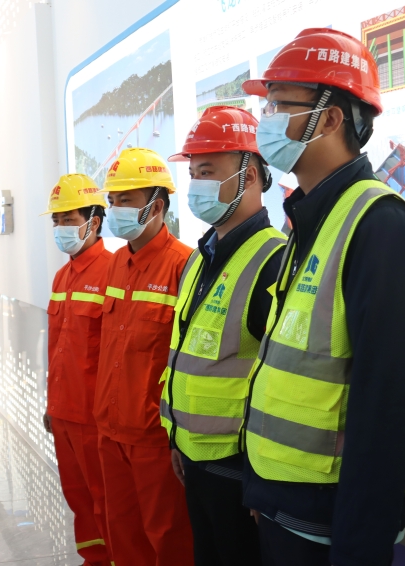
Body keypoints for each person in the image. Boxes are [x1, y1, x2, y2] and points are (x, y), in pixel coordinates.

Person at [240, 28, 405, 566]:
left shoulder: (382, 226)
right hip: (288, 506)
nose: (265, 120)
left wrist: (359, 548)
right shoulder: (309, 219)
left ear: (328, 119)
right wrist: (261, 487)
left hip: (333, 527)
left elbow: (390, 406)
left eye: (280, 105)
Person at [159, 106, 286, 566]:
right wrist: (177, 437)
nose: (196, 185)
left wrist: (263, 478)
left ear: (249, 175)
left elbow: (279, 382)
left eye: (208, 172)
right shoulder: (199, 258)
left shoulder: (274, 259)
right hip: (195, 456)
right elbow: (186, 356)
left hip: (239, 468)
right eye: (193, 173)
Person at [96, 148, 194, 565]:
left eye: (126, 200)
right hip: (110, 429)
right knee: (122, 531)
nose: (115, 209)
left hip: (154, 436)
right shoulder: (116, 263)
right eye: (112, 200)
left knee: (167, 537)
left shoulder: (184, 265)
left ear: (156, 206)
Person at [41, 174, 113, 565]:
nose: (61, 228)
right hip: (64, 412)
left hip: (96, 417)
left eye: (68, 220)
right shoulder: (61, 276)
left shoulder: (114, 271)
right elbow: (56, 348)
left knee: (107, 500)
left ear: (93, 222)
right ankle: (94, 560)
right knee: (78, 498)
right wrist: (51, 405)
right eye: (56, 221)